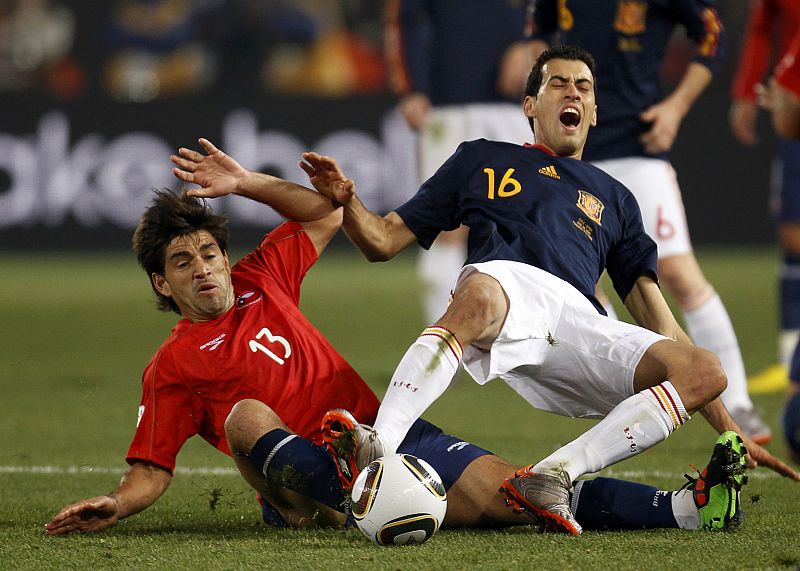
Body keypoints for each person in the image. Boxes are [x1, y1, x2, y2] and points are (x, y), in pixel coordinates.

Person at [45, 138, 750, 537]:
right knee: (245, 417)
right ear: (162, 284)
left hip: (381, 428)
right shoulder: (170, 365)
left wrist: (246, 182)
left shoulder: (263, 278)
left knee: (518, 493)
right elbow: (152, 469)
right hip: (299, 477)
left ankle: (684, 510)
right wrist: (117, 503)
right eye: (183, 263)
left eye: (208, 253)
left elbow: (325, 212)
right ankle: (339, 496)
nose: (203, 269)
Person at [306, 45, 800, 536]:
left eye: (583, 87)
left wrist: (730, 428)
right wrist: (349, 204)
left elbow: (661, 322)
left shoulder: (616, 198)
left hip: (580, 322)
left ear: (593, 111)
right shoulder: (480, 158)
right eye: (558, 83)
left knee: (705, 369)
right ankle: (379, 444)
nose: (573, 93)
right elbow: (383, 240)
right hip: (505, 291)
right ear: (530, 105)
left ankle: (553, 476)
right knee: (481, 292)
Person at [527, 0, 772, 445]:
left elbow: (712, 34)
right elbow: (539, 28)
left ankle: (737, 405)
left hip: (637, 147)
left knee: (678, 275)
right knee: (582, 284)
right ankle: (621, 406)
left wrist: (675, 107)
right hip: (571, 153)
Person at [386, 0, 534, 324]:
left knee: (531, 222)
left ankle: (528, 338)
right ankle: (442, 344)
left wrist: (532, 48)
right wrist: (411, 88)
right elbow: (404, 17)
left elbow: (558, 14)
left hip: (518, 106)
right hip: (448, 104)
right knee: (445, 226)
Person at [729, 0, 800, 394]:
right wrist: (747, 90)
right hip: (794, 102)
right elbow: (761, 25)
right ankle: (791, 360)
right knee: (793, 234)